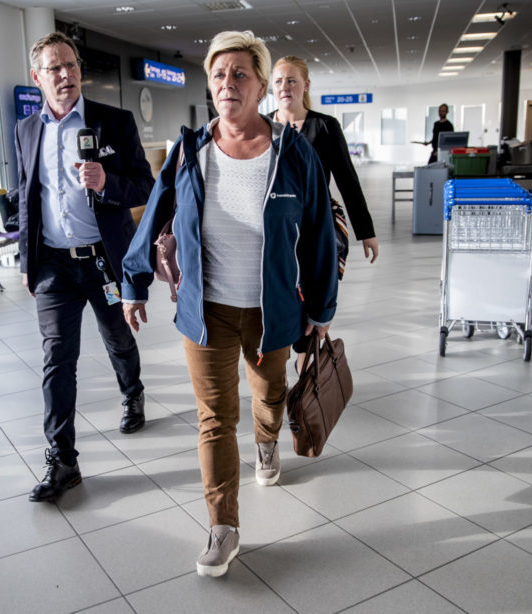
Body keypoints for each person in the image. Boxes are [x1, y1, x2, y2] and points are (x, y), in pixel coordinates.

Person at [121, 31, 338, 578]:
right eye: (218, 74)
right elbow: (156, 214)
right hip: (206, 310)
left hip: (273, 311)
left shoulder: (294, 153)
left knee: (269, 396)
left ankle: (267, 442)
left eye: (240, 74)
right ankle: (224, 526)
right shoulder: (190, 150)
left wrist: (321, 310)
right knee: (215, 418)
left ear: (261, 85)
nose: (227, 84)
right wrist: (133, 281)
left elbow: (318, 235)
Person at [13, 32, 153, 503]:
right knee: (57, 359)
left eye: (71, 65)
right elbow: (27, 198)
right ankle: (63, 461)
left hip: (104, 262)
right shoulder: (27, 130)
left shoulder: (113, 121)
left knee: (117, 334)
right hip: (53, 267)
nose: (65, 74)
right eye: (54, 68)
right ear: (37, 78)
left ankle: (132, 392)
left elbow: (144, 186)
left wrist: (107, 181)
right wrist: (27, 262)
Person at [271, 56, 378, 264]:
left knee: (317, 281)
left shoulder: (325, 126)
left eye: (291, 80)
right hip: (275, 223)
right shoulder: (262, 127)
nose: (284, 87)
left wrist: (366, 231)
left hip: (316, 221)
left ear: (306, 85)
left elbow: (347, 181)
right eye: (278, 81)